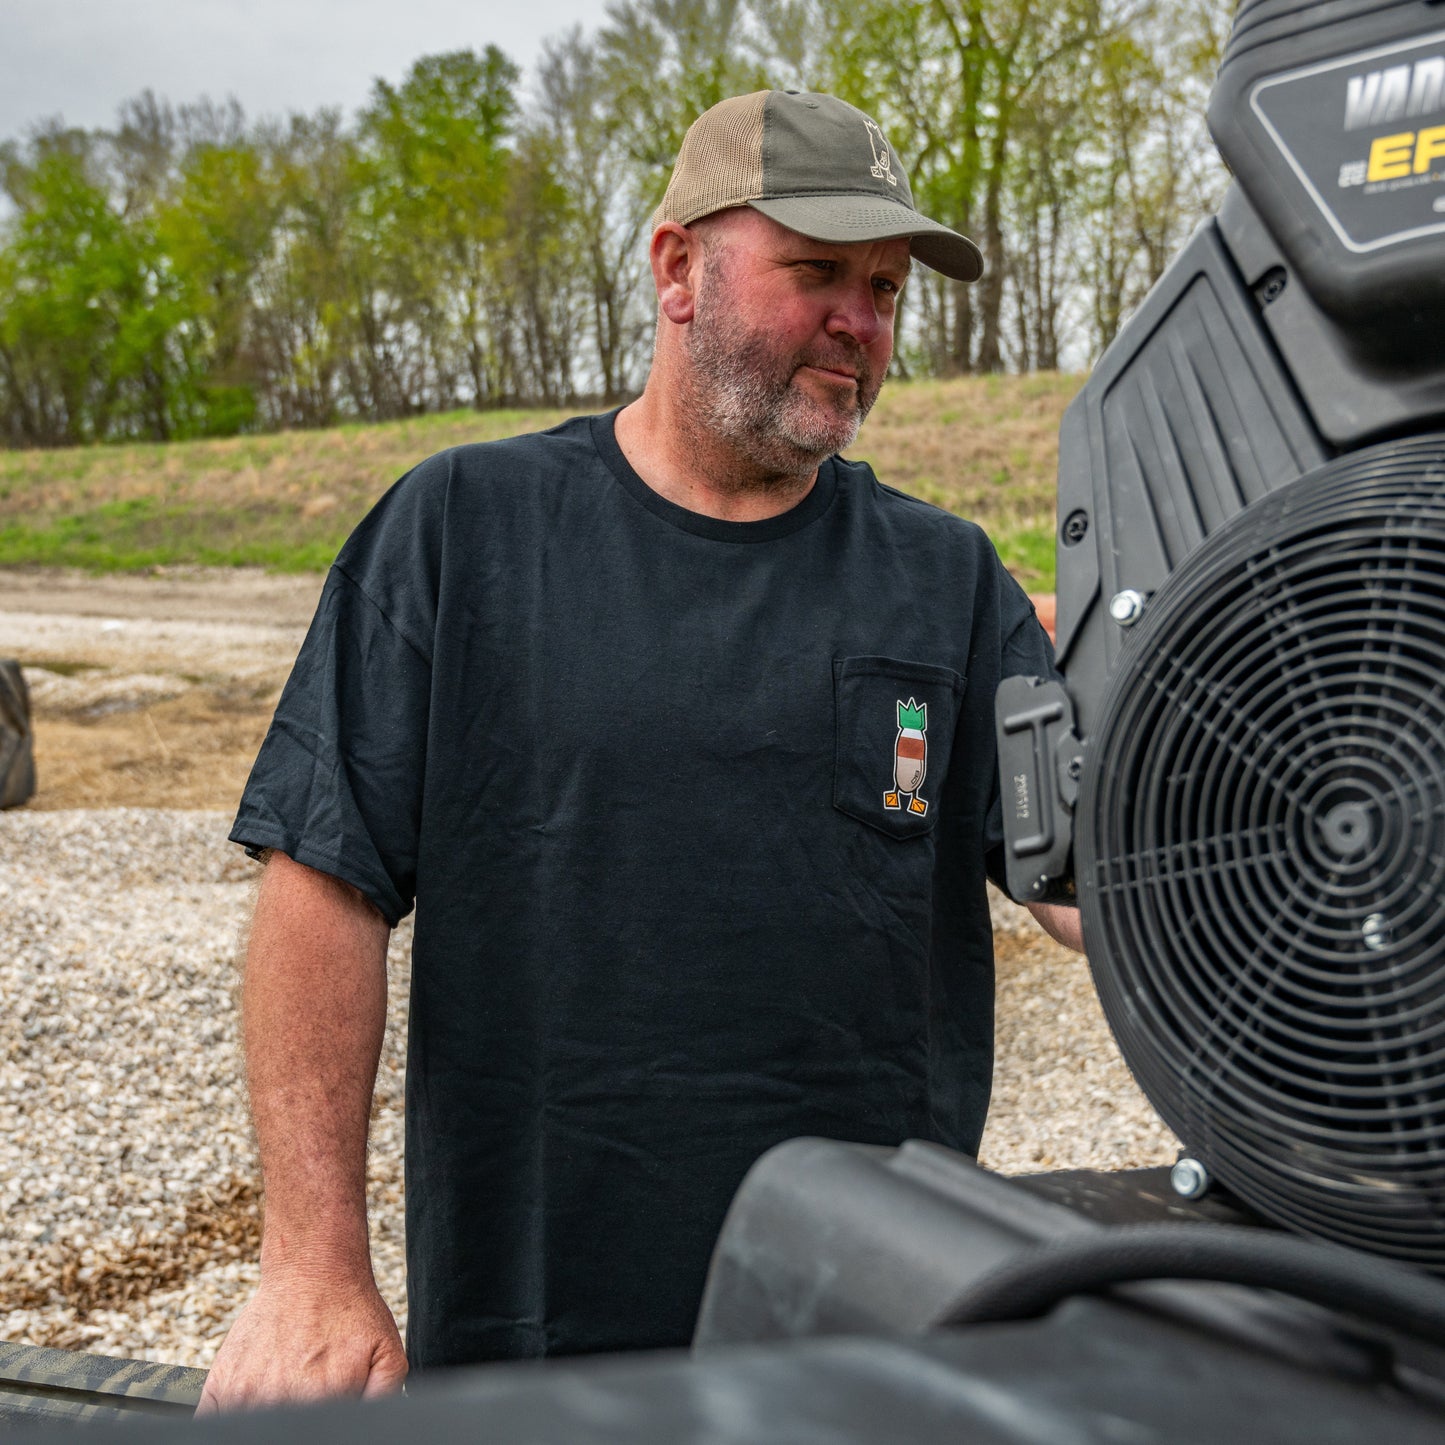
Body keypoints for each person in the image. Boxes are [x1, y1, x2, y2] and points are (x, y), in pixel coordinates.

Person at [198, 89, 1081, 1414]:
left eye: (886, 286)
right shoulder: (465, 535)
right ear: (675, 268)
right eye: (818, 272)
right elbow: (325, 884)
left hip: (865, 1338)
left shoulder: (942, 578)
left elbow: (1087, 875)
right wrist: (311, 1267)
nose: (861, 318)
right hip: (537, 1336)